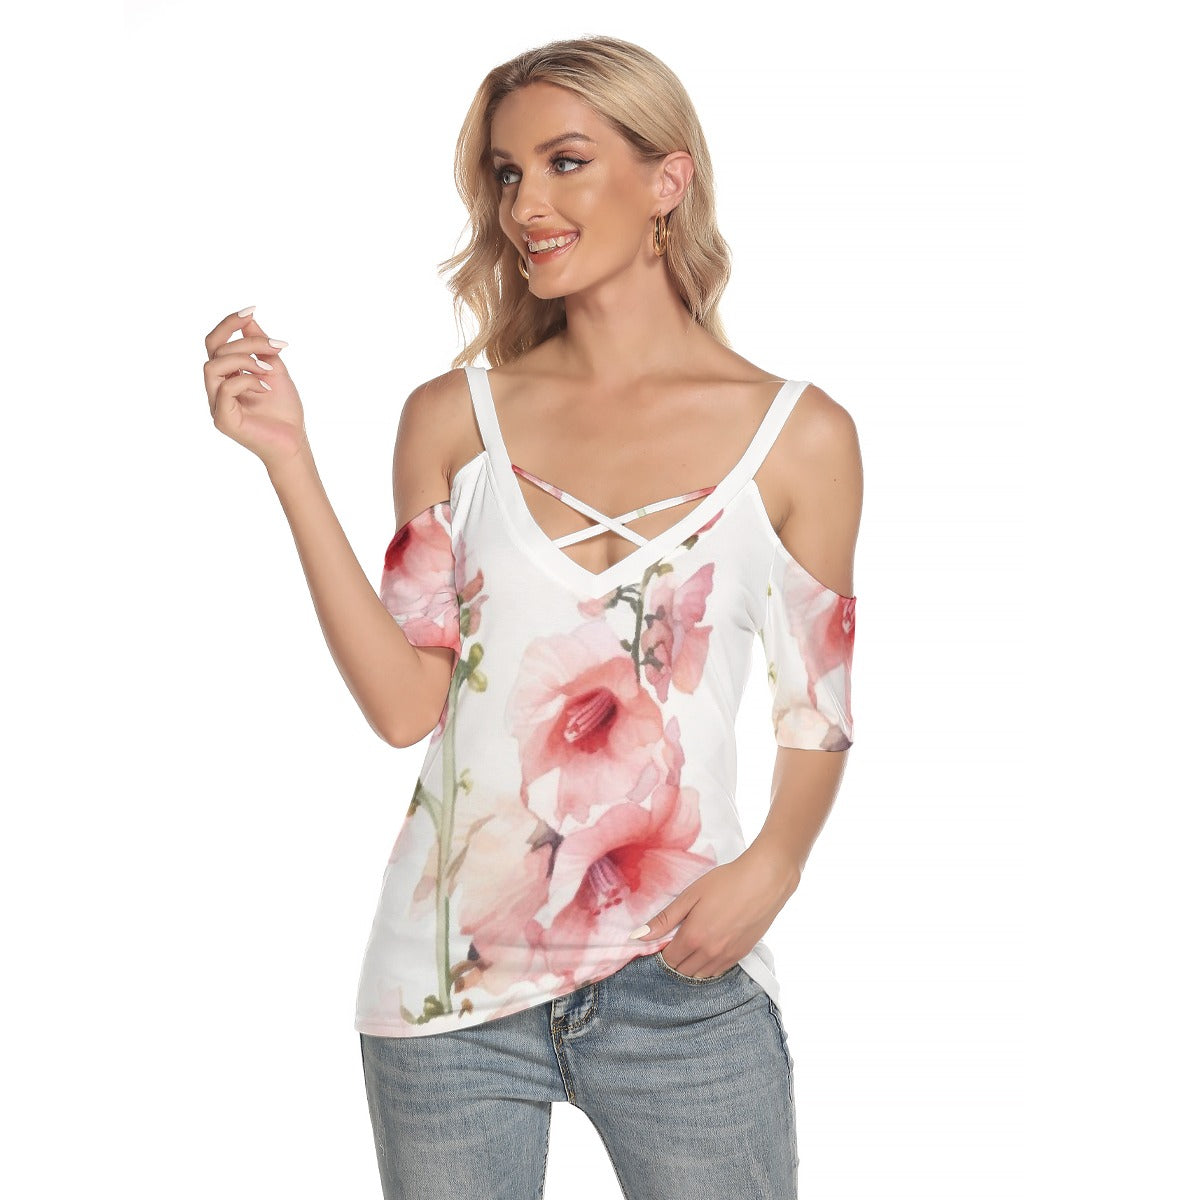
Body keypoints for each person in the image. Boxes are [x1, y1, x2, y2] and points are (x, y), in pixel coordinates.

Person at [203, 34, 860, 1200]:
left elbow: (816, 709)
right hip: (449, 984)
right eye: (507, 174)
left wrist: (778, 863)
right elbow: (405, 705)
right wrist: (289, 462)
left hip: (683, 972)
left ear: (668, 179)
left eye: (565, 163)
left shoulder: (799, 436)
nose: (525, 207)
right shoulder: (451, 420)